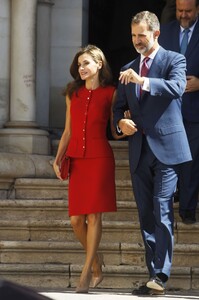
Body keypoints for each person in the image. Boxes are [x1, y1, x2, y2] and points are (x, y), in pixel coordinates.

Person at [113, 11, 192, 295]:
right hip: (139, 152)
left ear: (156, 34)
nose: (136, 40)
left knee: (161, 208)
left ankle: (161, 274)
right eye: (133, 35)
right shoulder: (127, 68)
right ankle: (152, 275)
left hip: (167, 150)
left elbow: (177, 87)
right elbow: (116, 110)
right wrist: (121, 124)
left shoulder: (174, 59)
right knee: (146, 215)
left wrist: (143, 81)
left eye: (141, 35)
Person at [53, 44, 125, 293]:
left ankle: (86, 273)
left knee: (94, 216)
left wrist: (124, 125)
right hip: (77, 160)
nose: (81, 68)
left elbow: (116, 132)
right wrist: (58, 156)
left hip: (100, 159)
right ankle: (95, 259)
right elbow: (68, 130)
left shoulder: (111, 93)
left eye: (86, 63)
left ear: (99, 64)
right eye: (79, 64)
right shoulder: (72, 93)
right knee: (75, 220)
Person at [159, 0, 199, 224]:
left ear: (198, 10)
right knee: (169, 159)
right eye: (179, 10)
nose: (183, 15)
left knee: (191, 160)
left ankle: (187, 209)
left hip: (195, 110)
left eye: (188, 11)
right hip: (168, 110)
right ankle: (171, 201)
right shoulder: (164, 33)